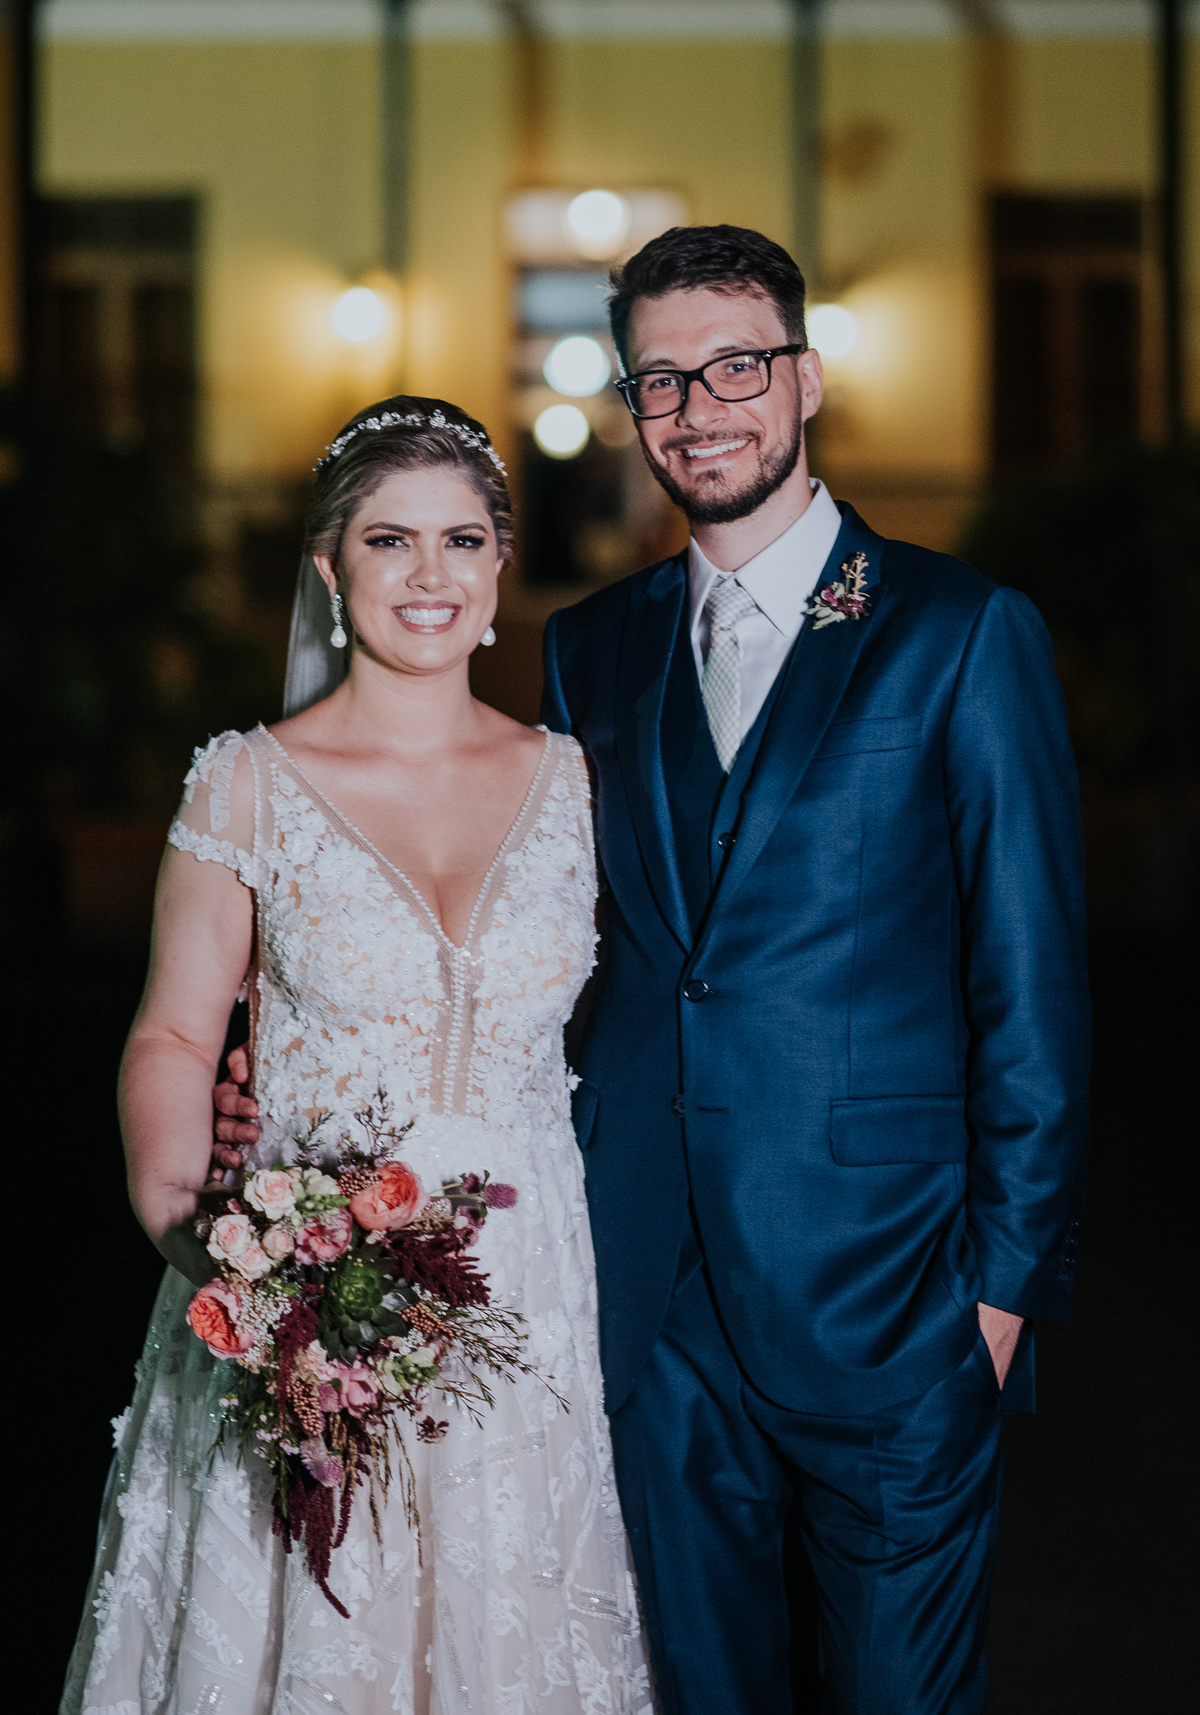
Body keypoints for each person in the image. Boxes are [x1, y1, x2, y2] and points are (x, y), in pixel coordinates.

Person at [215, 226, 1091, 1715]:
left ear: (806, 377)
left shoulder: (958, 632)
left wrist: (996, 1301)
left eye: (737, 365)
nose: (700, 407)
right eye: (662, 379)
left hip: (892, 1302)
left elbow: (1035, 994)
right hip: (647, 1304)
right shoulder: (595, 647)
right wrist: (292, 1059)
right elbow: (548, 942)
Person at [61, 397, 651, 1715]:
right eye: (391, 540)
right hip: (300, 1285)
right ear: (331, 568)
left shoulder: (577, 782)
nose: (429, 573)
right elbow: (174, 1031)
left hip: (524, 1286)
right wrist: (205, 1244)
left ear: (500, 563)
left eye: (461, 539)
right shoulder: (247, 782)